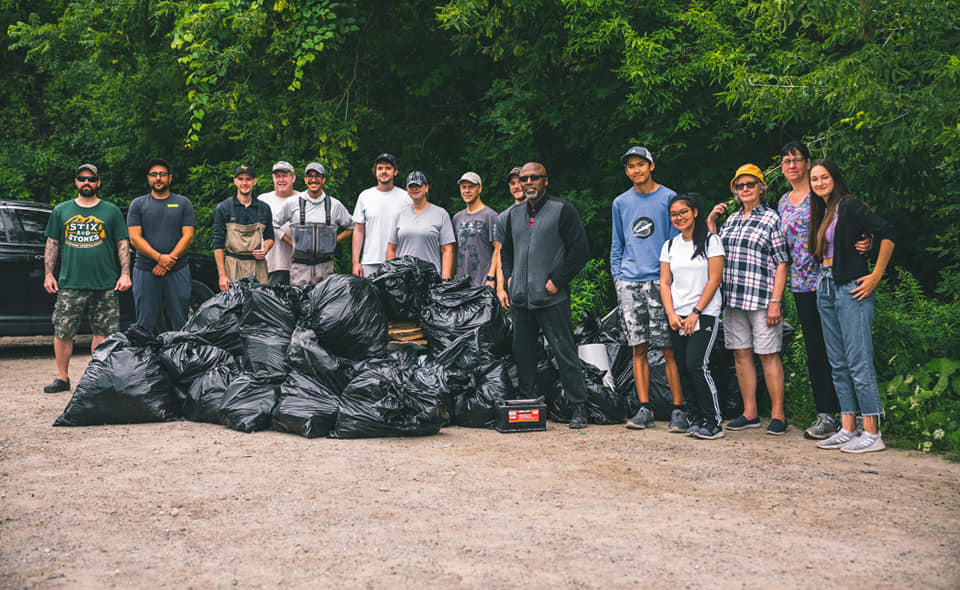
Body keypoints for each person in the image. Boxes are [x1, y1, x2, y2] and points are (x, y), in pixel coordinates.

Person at [809, 159, 895, 454]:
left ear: (835, 178)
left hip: (851, 287)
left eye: (824, 177)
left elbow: (887, 232)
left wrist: (875, 276)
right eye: (814, 179)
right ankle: (847, 427)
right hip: (825, 285)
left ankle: (872, 431)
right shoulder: (820, 210)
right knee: (838, 362)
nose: (819, 183)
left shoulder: (848, 205)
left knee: (859, 361)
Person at [500, 162, 591, 429]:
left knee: (564, 350)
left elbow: (580, 251)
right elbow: (506, 250)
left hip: (551, 297)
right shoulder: (513, 214)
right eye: (523, 178)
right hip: (520, 298)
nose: (528, 182)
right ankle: (528, 404)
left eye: (534, 178)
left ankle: (579, 407)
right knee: (523, 353)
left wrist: (557, 281)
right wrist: (509, 277)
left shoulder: (562, 210)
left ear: (545, 181)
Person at [707, 164, 790, 435]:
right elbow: (717, 253)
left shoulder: (771, 219)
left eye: (750, 185)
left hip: (762, 298)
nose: (745, 189)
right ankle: (750, 412)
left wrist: (776, 301)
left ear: (761, 188)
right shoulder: (730, 220)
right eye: (740, 186)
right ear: (735, 191)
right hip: (733, 299)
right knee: (741, 355)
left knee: (768, 355)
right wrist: (711, 224)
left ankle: (778, 414)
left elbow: (781, 262)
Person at [610, 146, 688, 432]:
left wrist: (669, 280)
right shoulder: (621, 202)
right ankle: (645, 409)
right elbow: (617, 244)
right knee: (638, 348)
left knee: (669, 348)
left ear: (651, 166)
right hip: (630, 282)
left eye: (640, 164)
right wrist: (618, 278)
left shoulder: (668, 198)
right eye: (630, 166)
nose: (635, 170)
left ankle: (679, 409)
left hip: (660, 281)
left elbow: (674, 243)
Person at [42, 164, 132, 393]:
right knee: (63, 331)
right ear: (76, 182)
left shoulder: (111, 211)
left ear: (98, 182)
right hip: (70, 282)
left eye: (91, 179)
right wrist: (48, 274)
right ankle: (62, 378)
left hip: (105, 282)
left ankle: (97, 378)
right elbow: (52, 243)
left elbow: (122, 243)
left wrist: (125, 273)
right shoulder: (61, 210)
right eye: (82, 178)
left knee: (103, 332)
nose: (86, 183)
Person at [659, 194, 725, 439]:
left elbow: (714, 279)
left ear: (695, 212)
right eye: (674, 214)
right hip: (678, 316)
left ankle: (714, 422)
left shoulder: (711, 241)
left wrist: (696, 313)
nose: (679, 217)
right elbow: (665, 283)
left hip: (704, 314)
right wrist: (672, 314)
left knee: (697, 366)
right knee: (683, 369)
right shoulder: (670, 246)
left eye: (684, 212)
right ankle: (695, 420)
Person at [127, 158, 196, 334]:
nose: (158, 178)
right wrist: (159, 258)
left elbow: (188, 237)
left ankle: (179, 359)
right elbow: (134, 238)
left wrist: (168, 261)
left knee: (180, 321)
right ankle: (146, 360)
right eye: (154, 175)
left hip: (178, 269)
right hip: (145, 270)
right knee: (144, 322)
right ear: (148, 178)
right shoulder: (138, 204)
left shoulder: (183, 203)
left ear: (170, 178)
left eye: (162, 174)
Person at [274, 162, 354, 286]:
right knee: (299, 303)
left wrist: (336, 239)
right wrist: (290, 242)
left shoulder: (334, 205)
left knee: (325, 304)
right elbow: (273, 223)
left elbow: (353, 226)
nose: (313, 180)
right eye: (310, 176)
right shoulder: (293, 203)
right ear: (305, 180)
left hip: (326, 267)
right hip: (300, 268)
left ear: (323, 180)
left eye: (317, 176)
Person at [212, 165, 275, 290]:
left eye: (248, 179)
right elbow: (217, 244)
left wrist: (266, 249)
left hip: (258, 266)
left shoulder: (264, 208)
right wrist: (222, 275)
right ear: (235, 181)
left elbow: (270, 236)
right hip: (233, 265)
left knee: (260, 305)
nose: (244, 183)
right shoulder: (223, 208)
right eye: (241, 179)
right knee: (235, 306)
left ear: (254, 181)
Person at [385, 171, 456, 279]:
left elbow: (447, 249)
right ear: (407, 190)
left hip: (431, 278)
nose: (415, 189)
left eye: (418, 185)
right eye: (411, 186)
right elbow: (391, 249)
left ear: (426, 188)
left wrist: (446, 278)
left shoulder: (441, 214)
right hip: (404, 278)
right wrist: (390, 276)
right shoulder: (399, 215)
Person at [352, 153, 411, 277]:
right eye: (380, 168)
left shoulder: (406, 198)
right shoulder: (365, 196)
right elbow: (358, 230)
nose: (384, 172)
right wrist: (356, 262)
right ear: (375, 172)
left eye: (388, 168)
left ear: (395, 172)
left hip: (399, 262)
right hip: (370, 262)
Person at [452, 171, 498, 287]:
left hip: (483, 283)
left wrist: (491, 277)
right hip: (461, 285)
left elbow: (498, 249)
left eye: (471, 187)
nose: (467, 191)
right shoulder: (457, 218)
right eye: (464, 187)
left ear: (480, 189)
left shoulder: (490, 216)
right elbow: (453, 251)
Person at [257, 161, 298, 285]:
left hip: (299, 267)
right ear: (273, 179)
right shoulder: (262, 200)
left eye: (285, 176)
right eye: (277, 176)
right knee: (270, 303)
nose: (281, 180)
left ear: (293, 178)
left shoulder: (303, 199)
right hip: (270, 265)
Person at [491, 166, 524, 309]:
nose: (516, 186)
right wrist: (500, 288)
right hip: (515, 285)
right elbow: (499, 253)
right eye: (512, 183)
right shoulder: (504, 217)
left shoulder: (540, 211)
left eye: (519, 181)